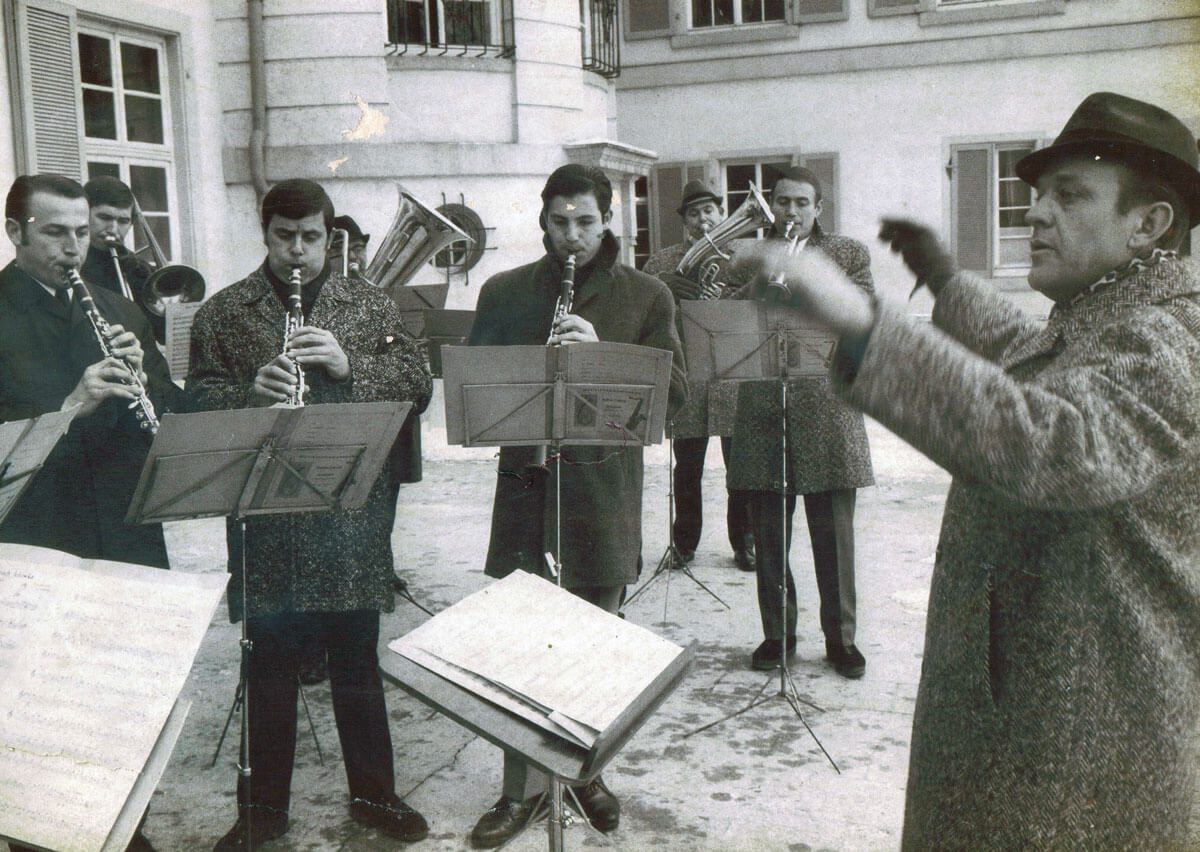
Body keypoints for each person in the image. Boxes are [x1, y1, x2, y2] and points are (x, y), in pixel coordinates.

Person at [736, 92, 1200, 850]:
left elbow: (1056, 443)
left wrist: (857, 319)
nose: (1036, 213)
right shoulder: (1108, 315)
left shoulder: (1172, 336)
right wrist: (945, 280)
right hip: (1039, 719)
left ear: (1148, 225)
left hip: (1084, 752)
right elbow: (1025, 354)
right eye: (1038, 196)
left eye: (1071, 195)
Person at [188, 179, 433, 849]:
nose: (297, 252)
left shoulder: (370, 303)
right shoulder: (225, 312)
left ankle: (374, 796)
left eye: (311, 238)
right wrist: (247, 391)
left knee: (356, 660)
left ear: (333, 237)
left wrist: (350, 366)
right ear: (265, 233)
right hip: (266, 517)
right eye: (283, 237)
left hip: (350, 512)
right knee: (266, 663)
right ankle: (262, 811)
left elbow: (417, 385)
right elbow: (198, 404)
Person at [465, 164, 686, 849]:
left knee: (595, 640)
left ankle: (587, 772)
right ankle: (519, 790)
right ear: (543, 221)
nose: (572, 237)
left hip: (603, 489)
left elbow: (674, 395)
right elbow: (476, 386)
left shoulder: (646, 296)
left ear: (608, 219)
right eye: (560, 223)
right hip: (528, 488)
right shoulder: (504, 292)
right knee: (521, 645)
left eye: (585, 222)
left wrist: (603, 358)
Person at [1, 174, 185, 851]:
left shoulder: (117, 309)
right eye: (55, 232)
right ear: (16, 232)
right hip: (42, 533)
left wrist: (146, 381)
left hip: (126, 525)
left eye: (81, 232)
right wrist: (73, 401)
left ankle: (124, 831)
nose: (73, 247)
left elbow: (170, 411)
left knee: (127, 699)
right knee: (47, 711)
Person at [723, 167, 874, 678]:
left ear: (818, 209)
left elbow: (862, 312)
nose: (791, 212)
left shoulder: (848, 254)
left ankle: (841, 638)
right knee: (769, 535)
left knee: (834, 537)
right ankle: (778, 634)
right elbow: (720, 317)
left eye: (801, 204)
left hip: (829, 410)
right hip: (765, 406)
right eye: (783, 202)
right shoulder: (750, 256)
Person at [643, 180, 755, 570]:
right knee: (686, 469)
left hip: (733, 374)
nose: (703, 219)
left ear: (722, 214)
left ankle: (745, 542)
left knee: (740, 467)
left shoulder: (747, 256)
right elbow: (648, 312)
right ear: (684, 222)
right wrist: (666, 289)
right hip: (688, 376)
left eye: (709, 210)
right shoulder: (661, 263)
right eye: (694, 213)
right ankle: (684, 543)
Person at [79, 176, 163, 340]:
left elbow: (162, 334)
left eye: (123, 221)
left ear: (131, 224)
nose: (113, 229)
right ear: (84, 215)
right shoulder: (72, 265)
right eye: (104, 218)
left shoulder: (139, 269)